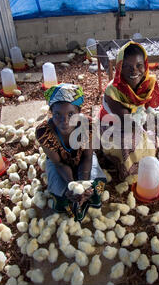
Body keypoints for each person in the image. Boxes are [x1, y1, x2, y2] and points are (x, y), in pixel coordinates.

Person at [36, 83, 106, 221]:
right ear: (51, 113)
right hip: (59, 163)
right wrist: (72, 186)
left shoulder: (89, 126)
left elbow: (87, 158)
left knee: (94, 188)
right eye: (57, 114)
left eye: (71, 114)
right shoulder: (44, 132)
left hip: (83, 159)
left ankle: (85, 198)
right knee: (60, 192)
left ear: (79, 112)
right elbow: (59, 163)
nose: (65, 121)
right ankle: (74, 201)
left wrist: (82, 183)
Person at [98, 41, 159, 182]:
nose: (134, 71)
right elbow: (127, 121)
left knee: (148, 136)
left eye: (139, 65)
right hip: (113, 126)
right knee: (129, 144)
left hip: (135, 121)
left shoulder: (146, 83)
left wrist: (151, 115)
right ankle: (129, 173)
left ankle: (144, 163)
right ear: (120, 68)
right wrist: (144, 130)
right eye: (127, 66)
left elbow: (148, 105)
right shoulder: (113, 91)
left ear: (145, 65)